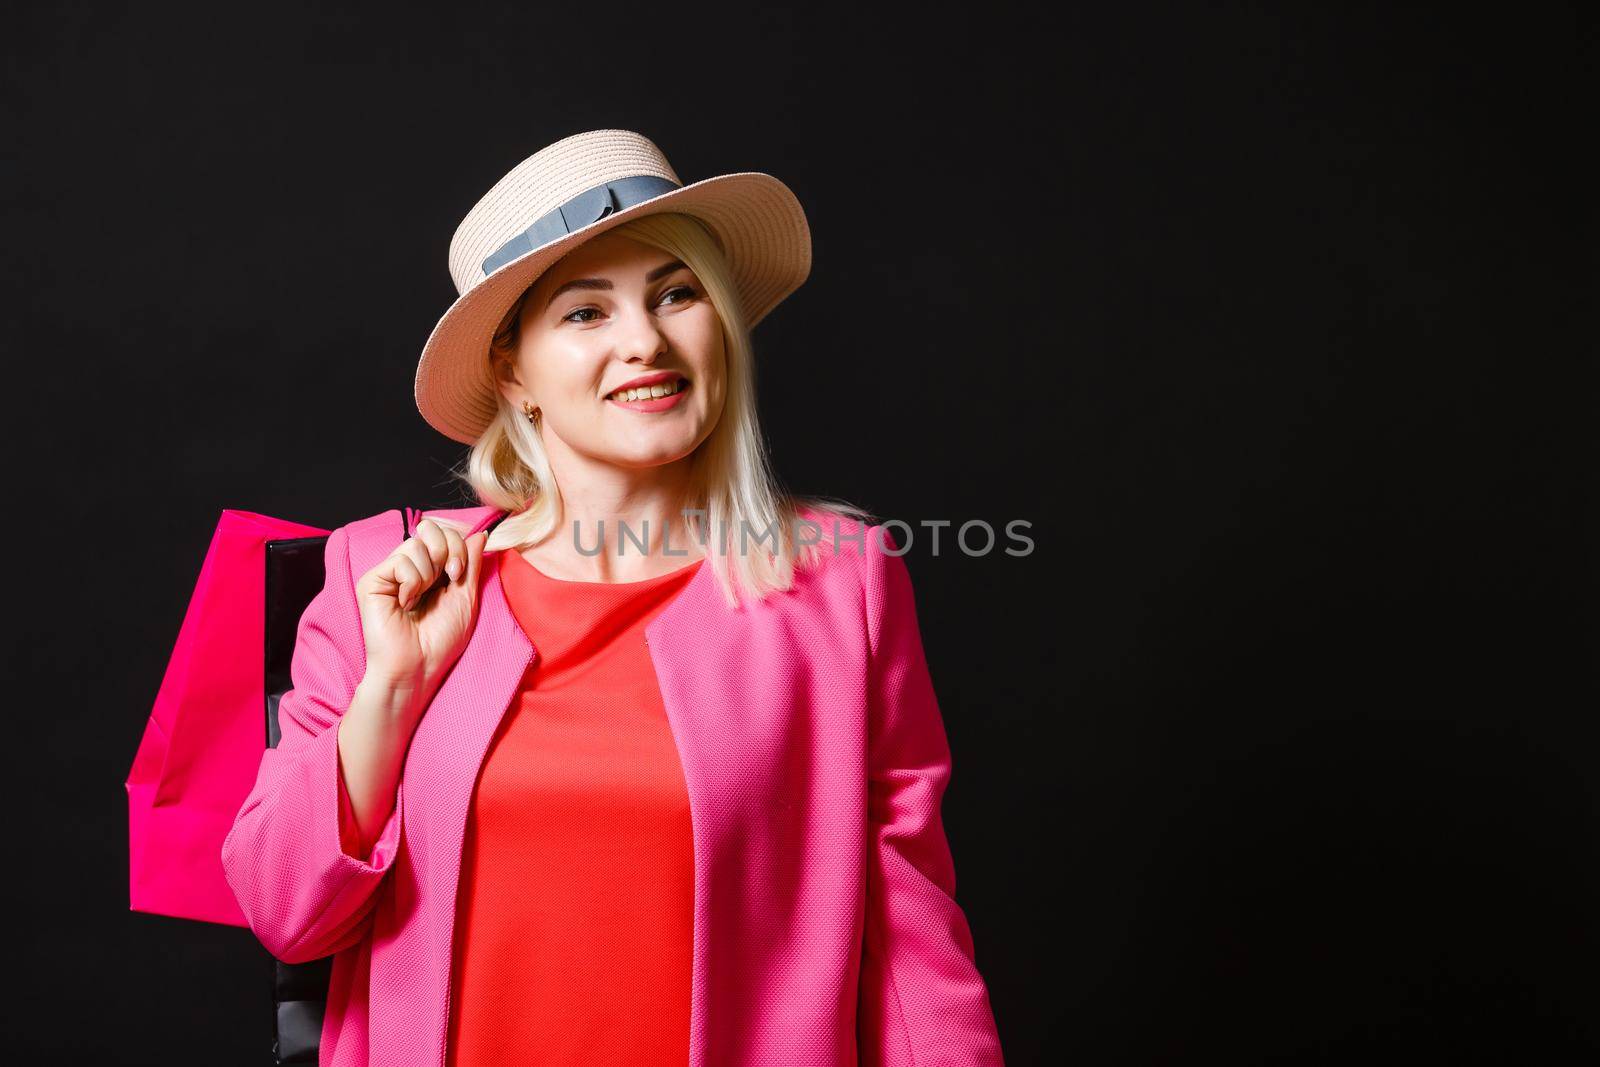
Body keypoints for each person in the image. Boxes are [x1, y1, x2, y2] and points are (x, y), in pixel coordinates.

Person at [221, 128, 1004, 1066]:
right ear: (513, 372)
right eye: (586, 313)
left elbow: (910, 938)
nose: (645, 341)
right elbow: (285, 914)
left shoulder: (844, 583)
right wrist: (392, 688)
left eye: (677, 294)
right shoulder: (381, 578)